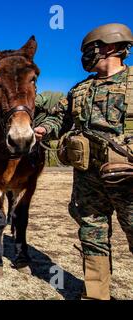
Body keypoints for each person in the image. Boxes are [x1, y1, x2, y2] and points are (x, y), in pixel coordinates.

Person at [35, 23, 133, 300]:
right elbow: (59, 119)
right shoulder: (80, 90)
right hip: (88, 179)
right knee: (92, 235)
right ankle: (96, 294)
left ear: (111, 46)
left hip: (127, 176)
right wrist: (44, 129)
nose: (87, 55)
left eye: (92, 49)